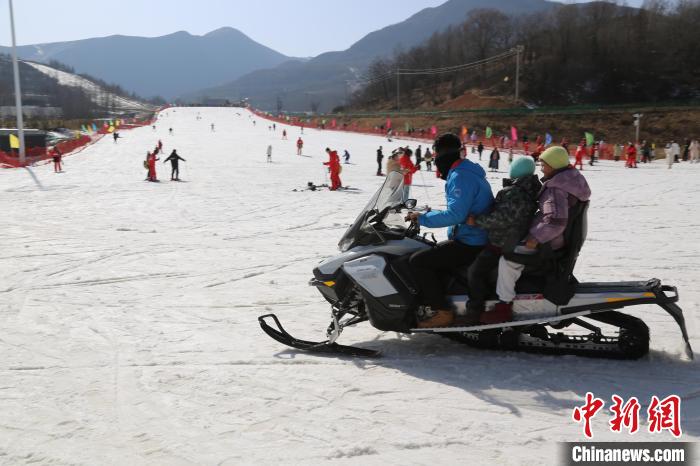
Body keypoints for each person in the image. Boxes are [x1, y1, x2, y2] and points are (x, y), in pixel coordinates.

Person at [482, 146, 591, 324]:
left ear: (554, 165)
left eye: (544, 164)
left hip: (550, 241)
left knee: (508, 259)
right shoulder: (572, 181)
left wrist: (536, 238)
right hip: (559, 239)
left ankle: (503, 306)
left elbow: (555, 221)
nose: (541, 168)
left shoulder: (555, 189)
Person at [405, 133, 494, 328]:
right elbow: (460, 210)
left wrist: (423, 218)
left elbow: (456, 215)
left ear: (442, 154)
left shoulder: (460, 177)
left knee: (418, 262)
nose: (436, 160)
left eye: (436, 155)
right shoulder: (466, 171)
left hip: (472, 242)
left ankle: (442, 312)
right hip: (473, 236)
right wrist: (426, 214)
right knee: (429, 252)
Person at [465, 157, 541, 324]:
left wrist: (476, 221)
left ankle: (474, 311)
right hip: (514, 238)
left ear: (516, 171)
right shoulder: (531, 189)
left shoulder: (513, 192)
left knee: (474, 272)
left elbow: (501, 219)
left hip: (501, 242)